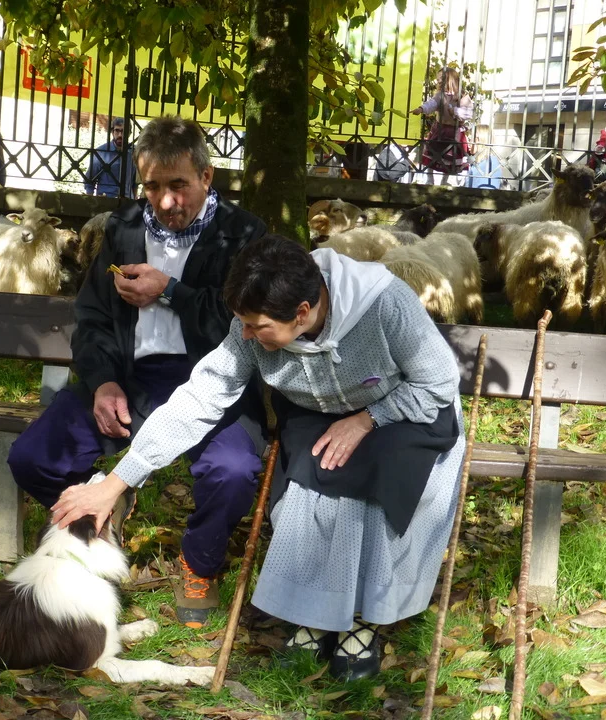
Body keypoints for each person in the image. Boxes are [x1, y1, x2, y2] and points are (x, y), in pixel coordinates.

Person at [51, 235, 466, 682]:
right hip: (318, 415)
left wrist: (368, 419)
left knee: (378, 489)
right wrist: (117, 483)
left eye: (257, 326)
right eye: (242, 324)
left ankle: (362, 624)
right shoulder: (249, 328)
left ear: (302, 312)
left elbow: (437, 383)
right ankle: (315, 616)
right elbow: (199, 399)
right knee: (311, 488)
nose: (245, 334)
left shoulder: (385, 304)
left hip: (404, 412)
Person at [7, 115, 268, 628]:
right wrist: (103, 381)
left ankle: (200, 563)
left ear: (207, 176)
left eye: (179, 185)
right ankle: (99, 520)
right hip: (131, 380)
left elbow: (246, 323)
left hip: (215, 382)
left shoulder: (243, 234)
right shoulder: (124, 228)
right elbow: (92, 317)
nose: (166, 201)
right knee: (33, 457)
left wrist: (169, 291)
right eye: (152, 186)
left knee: (233, 470)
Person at [411, 67, 473, 185]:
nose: (438, 81)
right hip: (439, 129)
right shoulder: (440, 95)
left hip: (454, 132)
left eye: (441, 78)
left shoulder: (463, 97)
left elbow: (467, 114)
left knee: (450, 157)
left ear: (450, 79)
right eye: (438, 78)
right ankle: (429, 178)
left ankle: (445, 180)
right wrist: (421, 109)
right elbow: (431, 104)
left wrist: (455, 111)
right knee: (431, 153)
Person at [84, 116, 136, 198]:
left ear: (129, 133)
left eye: (124, 131)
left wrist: (134, 200)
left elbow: (135, 181)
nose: (120, 135)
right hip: (105, 200)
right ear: (112, 132)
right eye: (117, 131)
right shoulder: (101, 152)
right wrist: (90, 200)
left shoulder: (134, 152)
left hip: (127, 200)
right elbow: (90, 180)